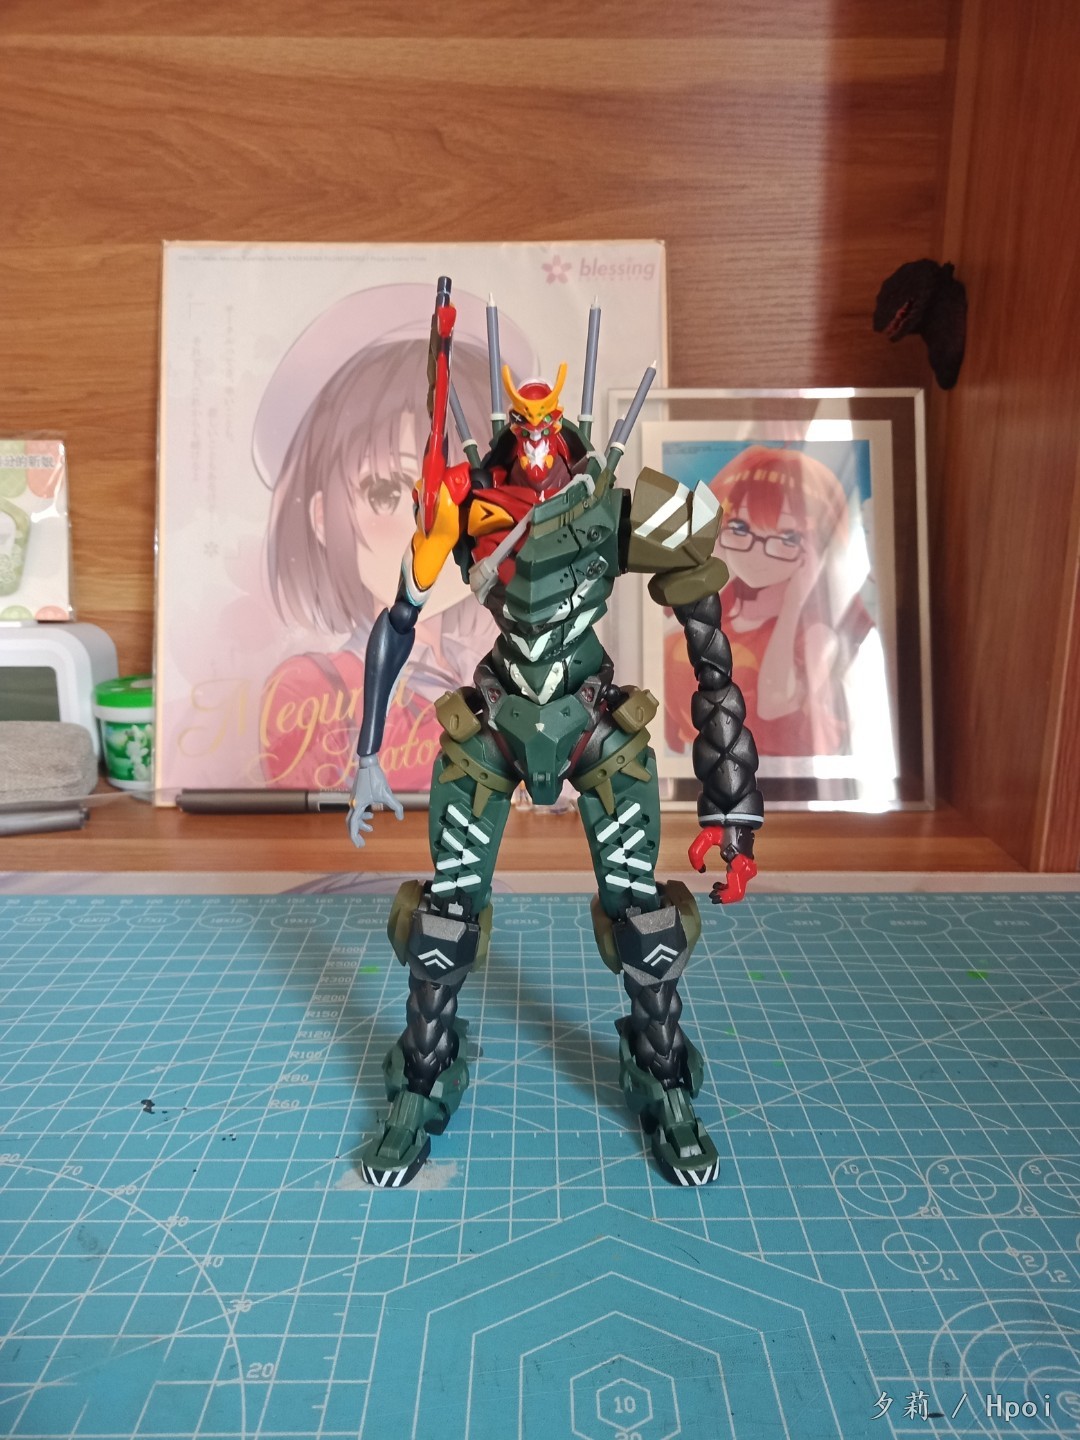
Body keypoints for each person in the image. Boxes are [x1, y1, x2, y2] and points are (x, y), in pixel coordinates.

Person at [252, 286, 533, 793]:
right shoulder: (312, 690)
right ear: (322, 517)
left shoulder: (494, 668)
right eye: (384, 493)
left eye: (462, 495)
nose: (430, 524)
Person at [663, 444, 872, 758]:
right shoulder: (716, 610)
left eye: (787, 537)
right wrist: (717, 571)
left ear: (814, 548)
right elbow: (657, 650)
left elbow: (774, 703)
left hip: (761, 774)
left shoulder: (816, 635)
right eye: (741, 527)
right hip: (690, 769)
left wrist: (794, 603)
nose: (758, 550)